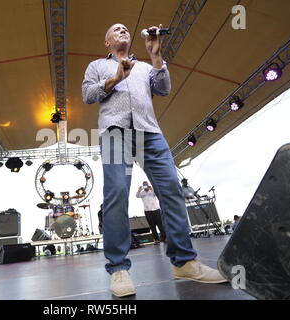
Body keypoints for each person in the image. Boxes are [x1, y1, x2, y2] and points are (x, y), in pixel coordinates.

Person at [82, 23, 227, 297]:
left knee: (172, 191)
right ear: (107, 42)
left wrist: (156, 54)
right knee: (116, 194)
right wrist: (115, 78)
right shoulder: (97, 66)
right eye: (116, 29)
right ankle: (118, 269)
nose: (123, 30)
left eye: (126, 29)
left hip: (150, 133)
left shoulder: (146, 67)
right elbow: (88, 95)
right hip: (115, 133)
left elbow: (163, 88)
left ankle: (184, 261)